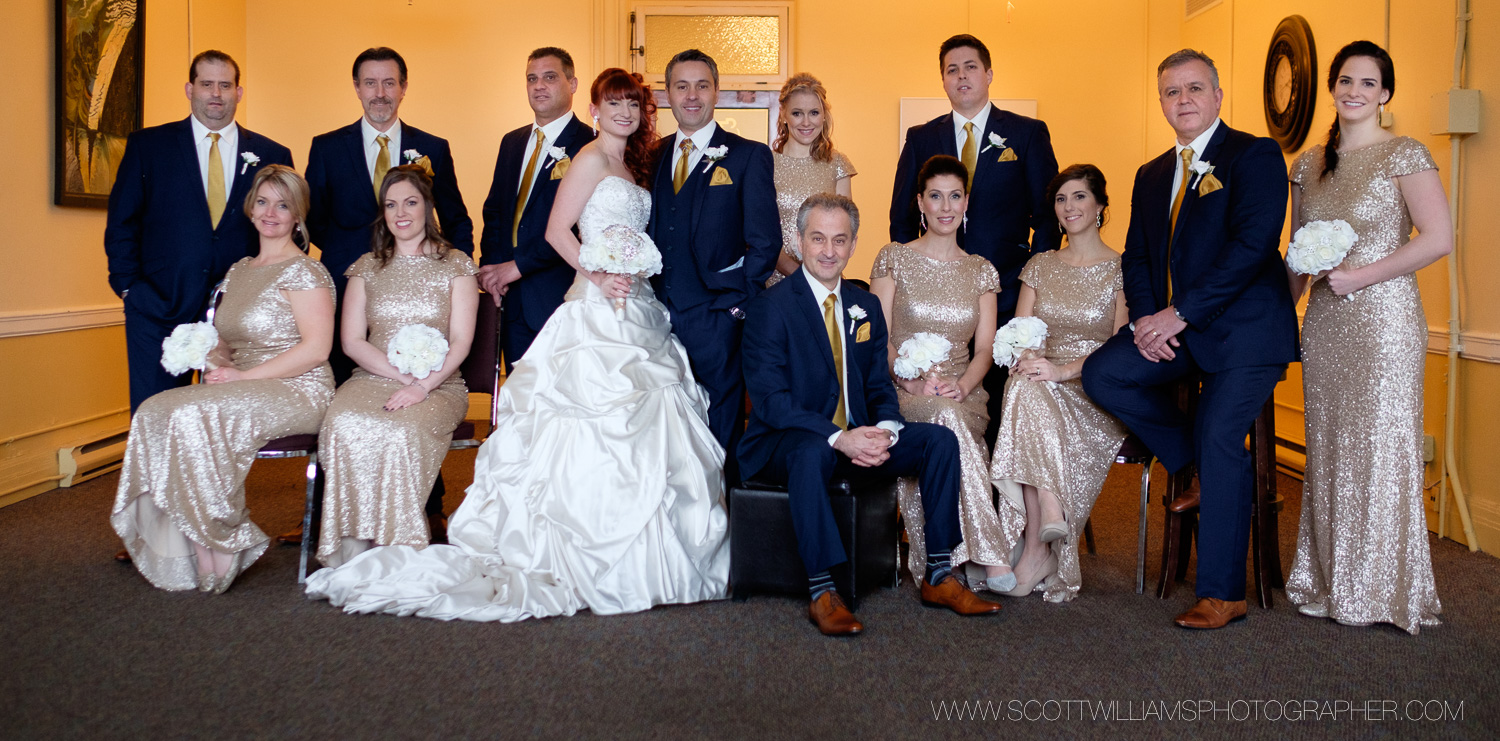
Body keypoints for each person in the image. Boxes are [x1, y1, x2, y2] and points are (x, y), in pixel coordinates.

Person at [305, 69, 730, 621]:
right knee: (586, 421)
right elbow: (558, 231)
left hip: (639, 309)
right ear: (594, 108)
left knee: (652, 420)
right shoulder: (591, 159)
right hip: (596, 310)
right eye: (613, 102)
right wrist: (598, 277)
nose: (624, 111)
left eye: (633, 102)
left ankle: (653, 550)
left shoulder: (634, 166)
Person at [1081, 50, 1298, 629]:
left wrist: (1181, 313)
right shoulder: (1151, 174)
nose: (1184, 100)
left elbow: (1252, 247)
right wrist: (1150, 322)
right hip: (1174, 329)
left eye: (1195, 88)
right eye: (1172, 92)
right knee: (1104, 373)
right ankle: (1194, 464)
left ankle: (1222, 594)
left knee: (1223, 433)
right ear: (1161, 102)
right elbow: (1140, 255)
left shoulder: (1254, 155)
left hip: (1246, 334)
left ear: (1218, 95)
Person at [740, 192, 1002, 637]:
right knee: (810, 452)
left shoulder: (863, 306)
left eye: (839, 240)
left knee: (938, 441)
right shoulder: (770, 307)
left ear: (854, 244)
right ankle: (823, 590)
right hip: (789, 440)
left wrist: (884, 428)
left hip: (858, 435)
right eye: (818, 238)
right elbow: (771, 401)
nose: (828, 251)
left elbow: (880, 385)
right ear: (800, 240)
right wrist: (838, 438)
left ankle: (938, 574)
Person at [1284, 42, 1449, 634]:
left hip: (1385, 323)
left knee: (1380, 449)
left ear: (1385, 94)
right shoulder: (1308, 164)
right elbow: (1298, 257)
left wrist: (1359, 276)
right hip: (1325, 324)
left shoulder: (1404, 153)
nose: (1354, 91)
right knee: (1328, 448)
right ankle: (1332, 582)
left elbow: (1437, 238)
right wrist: (1276, 314)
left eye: (1368, 82)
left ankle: (1381, 588)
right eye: (1345, 80)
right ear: (1333, 88)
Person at [112, 165, 336, 592]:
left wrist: (243, 376)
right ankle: (194, 542)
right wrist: (210, 354)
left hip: (298, 387)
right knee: (155, 409)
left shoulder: (306, 272)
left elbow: (316, 350)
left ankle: (224, 539)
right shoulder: (238, 271)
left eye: (283, 204)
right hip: (243, 381)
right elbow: (228, 343)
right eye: (264, 201)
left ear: (297, 216)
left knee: (197, 415)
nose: (271, 212)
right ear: (251, 209)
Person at [300, 46, 474, 543]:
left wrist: (447, 272)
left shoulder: (431, 146)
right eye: (370, 83)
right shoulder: (327, 146)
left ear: (403, 87)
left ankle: (426, 508)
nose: (380, 93)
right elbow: (312, 220)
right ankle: (336, 513)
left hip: (425, 296)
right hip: (349, 293)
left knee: (419, 401)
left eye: (389, 82)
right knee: (343, 401)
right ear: (357, 87)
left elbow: (456, 215)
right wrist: (359, 270)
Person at [889, 34, 1059, 445]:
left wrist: (1028, 291)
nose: (961, 76)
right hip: (936, 303)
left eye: (970, 67)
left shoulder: (1027, 134)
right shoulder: (921, 137)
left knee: (1001, 401)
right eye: (951, 69)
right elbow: (901, 219)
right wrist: (917, 282)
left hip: (1005, 292)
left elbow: (1049, 219)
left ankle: (1002, 499)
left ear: (988, 74)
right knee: (938, 396)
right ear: (943, 80)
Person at [105, 50, 294, 413]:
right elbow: (122, 222)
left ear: (239, 92)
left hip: (237, 312)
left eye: (225, 85)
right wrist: (129, 287)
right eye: (207, 84)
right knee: (156, 415)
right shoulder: (149, 146)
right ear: (190, 88)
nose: (216, 94)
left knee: (228, 422)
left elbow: (286, 229)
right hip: (158, 307)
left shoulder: (271, 153)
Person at [315, 166, 479, 568]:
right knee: (342, 421)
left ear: (428, 206)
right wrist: (402, 377)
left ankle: (396, 548)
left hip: (440, 385)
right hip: (373, 377)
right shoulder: (366, 267)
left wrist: (422, 386)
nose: (400, 213)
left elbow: (461, 341)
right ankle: (353, 548)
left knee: (401, 429)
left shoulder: (455, 264)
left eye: (410, 202)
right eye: (391, 205)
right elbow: (352, 341)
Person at [869, 155, 1014, 593]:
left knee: (950, 413)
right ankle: (988, 552)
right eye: (935, 196)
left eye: (955, 196)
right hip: (903, 389)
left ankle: (947, 555)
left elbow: (985, 349)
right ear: (920, 202)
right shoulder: (894, 258)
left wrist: (965, 384)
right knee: (940, 418)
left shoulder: (981, 270)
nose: (945, 206)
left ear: (966, 202)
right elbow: (879, 337)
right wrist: (907, 379)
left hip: (964, 393)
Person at [991, 164, 1128, 602]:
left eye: (1080, 197)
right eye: (1061, 199)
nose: (1069, 207)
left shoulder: (1121, 270)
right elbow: (1020, 332)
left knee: (1026, 396)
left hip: (1091, 388)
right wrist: (1034, 363)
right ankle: (1044, 526)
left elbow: (1118, 348)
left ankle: (1035, 546)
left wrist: (1063, 370)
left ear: (1101, 205)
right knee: (1025, 387)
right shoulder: (1041, 264)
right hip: (1041, 382)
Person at [647, 49, 780, 459]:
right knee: (660, 420)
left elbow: (765, 241)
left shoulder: (747, 155)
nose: (691, 95)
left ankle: (719, 517)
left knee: (719, 427)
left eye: (702, 85)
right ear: (667, 94)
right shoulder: (650, 156)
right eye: (681, 86)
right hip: (652, 315)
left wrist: (736, 306)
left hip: (716, 316)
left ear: (716, 92)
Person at [477, 47, 596, 371]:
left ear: (572, 84)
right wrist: (491, 272)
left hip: (559, 297)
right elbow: (495, 213)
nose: (539, 85)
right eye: (532, 79)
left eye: (549, 77)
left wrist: (518, 266)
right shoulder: (511, 142)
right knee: (518, 400)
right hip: (509, 300)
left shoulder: (591, 145)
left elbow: (577, 228)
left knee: (558, 403)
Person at [768, 73, 855, 287]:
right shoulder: (764, 164)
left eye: (814, 113)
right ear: (783, 114)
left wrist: (820, 276)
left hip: (824, 281)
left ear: (824, 115)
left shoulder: (837, 164)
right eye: (797, 113)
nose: (806, 122)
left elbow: (845, 231)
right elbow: (757, 233)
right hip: (773, 284)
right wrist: (797, 274)